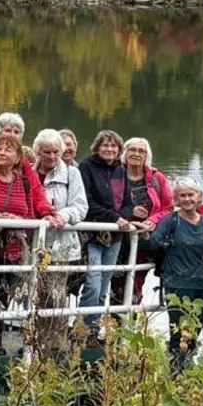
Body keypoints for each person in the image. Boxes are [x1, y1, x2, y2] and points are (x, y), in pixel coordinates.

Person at [0, 132, 61, 347]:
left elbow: (32, 208)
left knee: (3, 297)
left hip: (14, 250)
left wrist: (48, 214)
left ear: (18, 158)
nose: (2, 152)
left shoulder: (23, 181)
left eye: (9, 149)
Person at [150, 180, 203, 369]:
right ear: (177, 199)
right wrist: (145, 233)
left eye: (191, 195)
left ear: (199, 197)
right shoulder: (171, 220)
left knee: (195, 329)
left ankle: (188, 370)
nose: (187, 199)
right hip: (177, 283)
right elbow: (154, 242)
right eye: (183, 196)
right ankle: (176, 370)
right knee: (178, 331)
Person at [29, 128, 89, 320]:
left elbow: (80, 206)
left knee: (54, 296)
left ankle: (54, 343)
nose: (53, 156)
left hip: (59, 245)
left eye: (56, 151)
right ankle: (29, 342)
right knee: (28, 294)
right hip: (29, 244)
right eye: (47, 152)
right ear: (38, 151)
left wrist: (61, 216)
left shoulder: (72, 174)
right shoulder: (27, 173)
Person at [77, 130, 127, 313]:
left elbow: (128, 202)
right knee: (93, 284)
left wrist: (123, 217)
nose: (109, 149)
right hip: (92, 234)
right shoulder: (86, 166)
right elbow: (86, 202)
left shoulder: (121, 169)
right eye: (105, 145)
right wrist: (115, 217)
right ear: (97, 147)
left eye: (114, 145)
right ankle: (82, 330)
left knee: (103, 287)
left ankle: (93, 330)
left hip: (115, 236)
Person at [120, 137, 173, 304]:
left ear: (147, 156)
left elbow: (168, 208)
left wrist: (152, 219)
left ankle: (130, 324)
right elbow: (106, 204)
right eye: (132, 149)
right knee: (114, 283)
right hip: (117, 237)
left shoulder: (157, 178)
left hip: (144, 240)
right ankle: (108, 325)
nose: (136, 154)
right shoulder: (115, 174)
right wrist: (128, 213)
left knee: (136, 283)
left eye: (141, 151)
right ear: (125, 153)